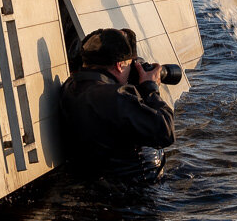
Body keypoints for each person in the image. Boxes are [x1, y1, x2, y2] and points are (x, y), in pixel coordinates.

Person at [59, 26, 175, 182]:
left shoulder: (70, 86)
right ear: (120, 66)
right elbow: (166, 132)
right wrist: (150, 88)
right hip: (136, 191)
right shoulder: (114, 96)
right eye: (129, 65)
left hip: (95, 181)